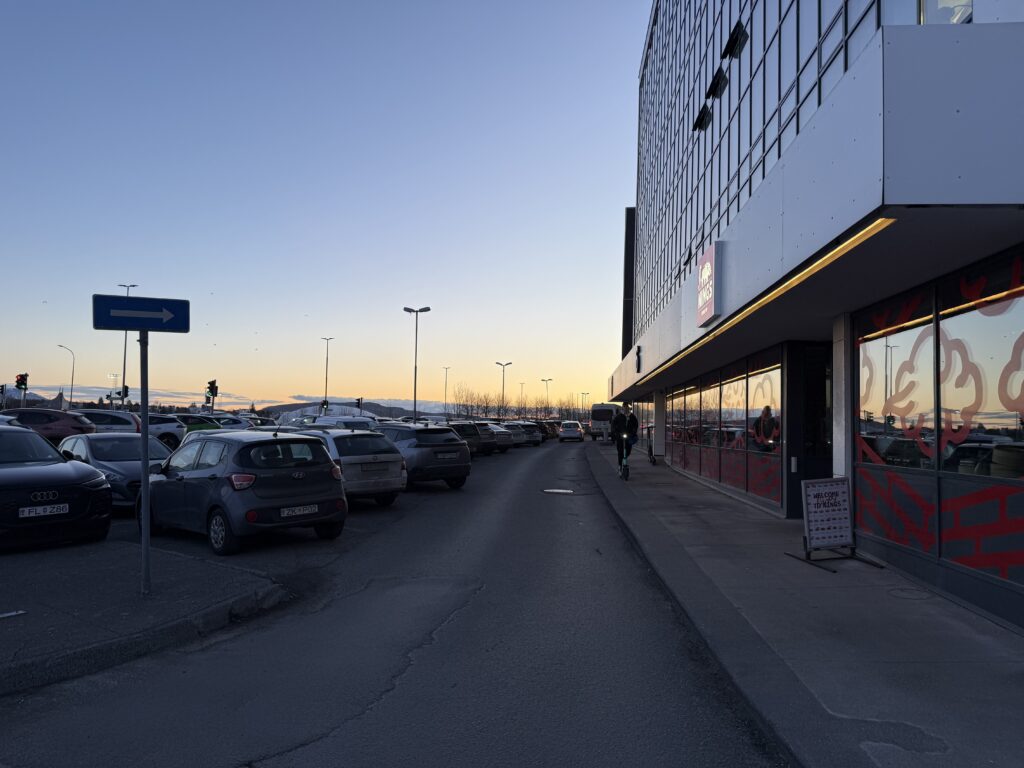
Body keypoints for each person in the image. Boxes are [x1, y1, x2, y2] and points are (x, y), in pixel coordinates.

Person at [612, 404, 640, 474]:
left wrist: (633, 432)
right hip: (620, 437)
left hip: (629, 436)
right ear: (622, 408)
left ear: (628, 408)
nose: (625, 409)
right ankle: (620, 466)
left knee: (628, 451)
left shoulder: (632, 416)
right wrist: (616, 433)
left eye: (627, 407)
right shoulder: (619, 416)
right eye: (624, 407)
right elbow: (613, 425)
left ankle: (624, 459)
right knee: (620, 451)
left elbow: (636, 425)